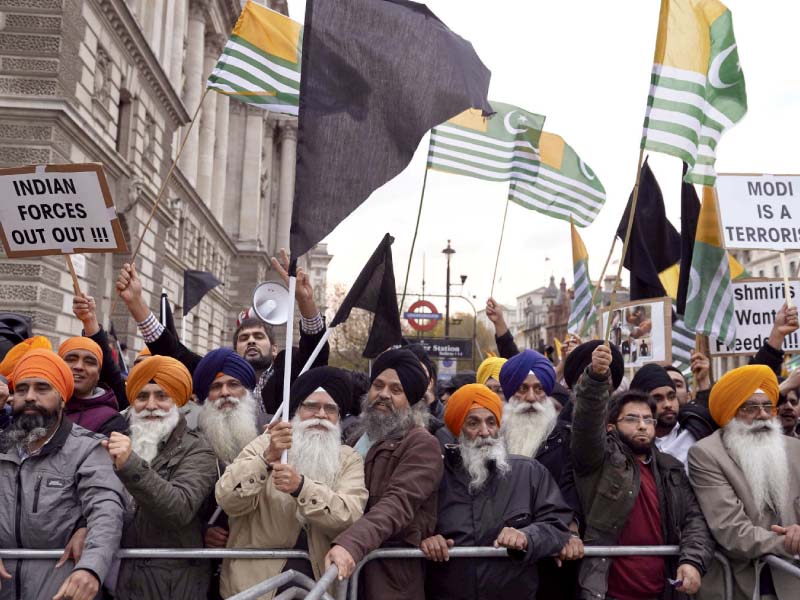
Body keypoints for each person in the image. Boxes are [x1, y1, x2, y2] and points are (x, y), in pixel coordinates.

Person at [572, 344, 715, 600]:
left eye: (648, 419)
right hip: (608, 592)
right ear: (611, 427)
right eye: (632, 419)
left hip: (664, 591)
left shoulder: (671, 468)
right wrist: (596, 378)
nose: (642, 426)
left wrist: (693, 561)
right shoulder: (599, 461)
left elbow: (693, 519)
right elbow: (586, 424)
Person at [115, 249, 329, 415]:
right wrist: (136, 303)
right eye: (244, 338)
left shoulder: (289, 369)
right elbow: (172, 351)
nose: (251, 341)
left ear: (274, 348)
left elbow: (315, 353)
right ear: (235, 349)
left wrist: (305, 302)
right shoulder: (216, 370)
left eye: (258, 336)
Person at [216, 366, 367, 598]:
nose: (321, 415)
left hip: (319, 585)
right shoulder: (264, 445)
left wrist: (301, 487)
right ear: (296, 410)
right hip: (255, 586)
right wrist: (266, 459)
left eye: (330, 409)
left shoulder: (349, 459)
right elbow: (227, 498)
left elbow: (349, 516)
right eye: (311, 406)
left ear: (339, 417)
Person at [421, 383, 572, 599]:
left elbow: (558, 524)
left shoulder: (528, 472)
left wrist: (527, 536)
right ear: (457, 429)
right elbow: (414, 522)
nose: (485, 432)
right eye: (473, 423)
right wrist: (427, 540)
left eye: (491, 422)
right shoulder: (436, 474)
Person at [0, 349, 124, 600]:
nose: (30, 397)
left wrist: (91, 569)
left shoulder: (89, 449)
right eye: (22, 389)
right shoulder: (2, 448)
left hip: (63, 589)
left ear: (63, 398)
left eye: (42, 388)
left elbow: (106, 511)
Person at [325, 348, 443, 599]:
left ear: (411, 401)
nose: (383, 395)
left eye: (396, 390)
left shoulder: (421, 444)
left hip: (387, 579)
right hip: (340, 570)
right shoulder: (354, 436)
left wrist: (351, 543)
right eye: (378, 385)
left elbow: (396, 505)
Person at [105, 355, 217, 599]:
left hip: (170, 586)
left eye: (162, 396)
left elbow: (179, 508)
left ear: (178, 401)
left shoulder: (198, 449)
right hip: (115, 581)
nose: (151, 405)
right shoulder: (116, 440)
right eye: (142, 396)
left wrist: (130, 465)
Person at [688, 365, 800, 600]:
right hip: (742, 584)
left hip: (793, 582)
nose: (761, 414)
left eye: (767, 406)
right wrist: (789, 543)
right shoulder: (706, 454)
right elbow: (731, 531)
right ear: (730, 412)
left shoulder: (795, 449)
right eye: (749, 407)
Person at [58, 336, 128, 436]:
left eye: (89, 362)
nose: (79, 366)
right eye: (71, 359)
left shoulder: (110, 420)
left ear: (99, 374)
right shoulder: (41, 406)